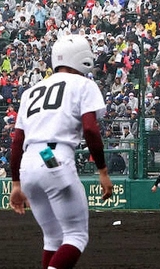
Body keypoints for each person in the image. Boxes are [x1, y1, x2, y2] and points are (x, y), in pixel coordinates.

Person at [10, 34, 113, 269]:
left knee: (53, 238)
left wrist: (16, 184)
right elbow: (90, 129)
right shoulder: (84, 84)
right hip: (55, 158)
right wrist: (103, 171)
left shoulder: (31, 91)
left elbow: (17, 142)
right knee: (76, 236)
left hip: (28, 163)